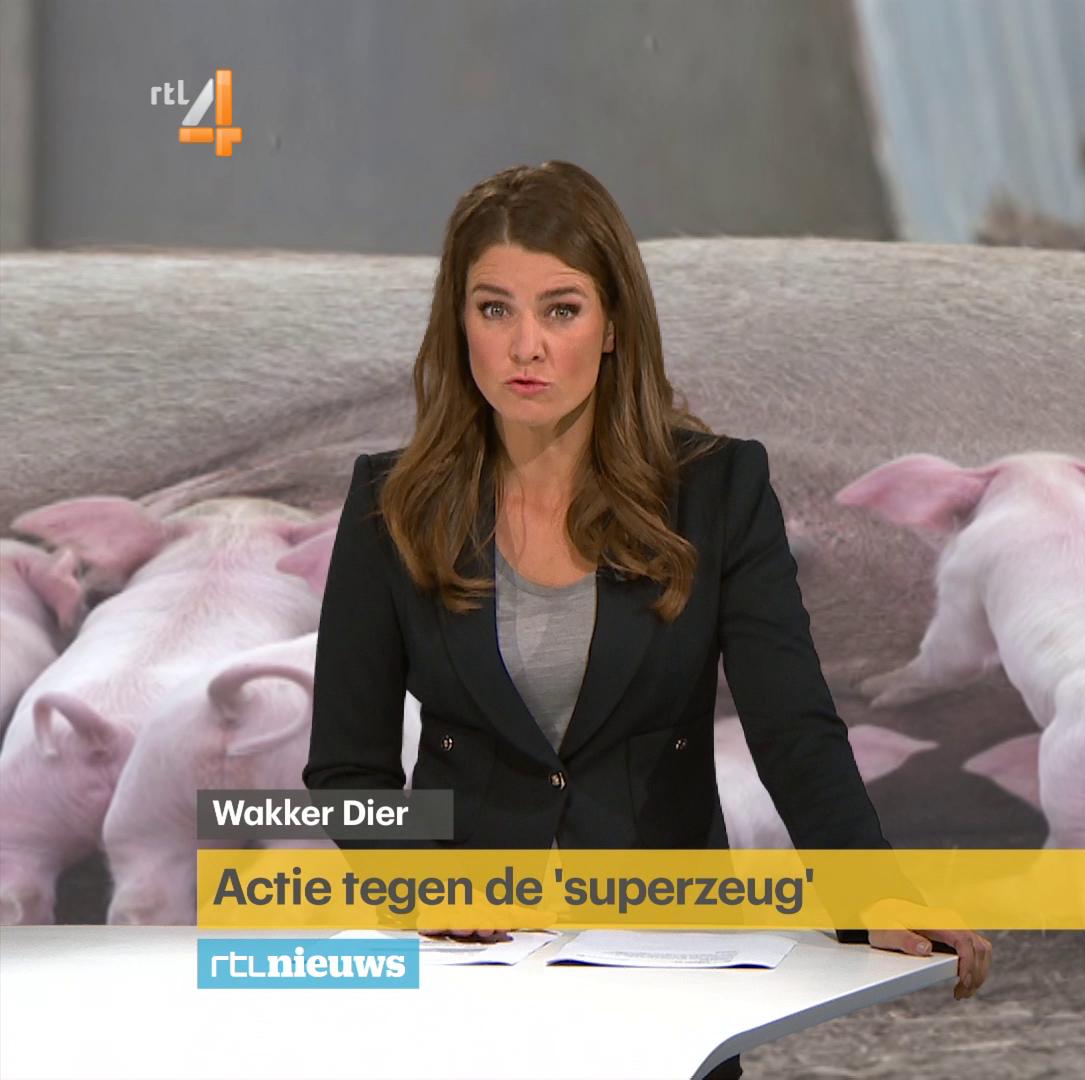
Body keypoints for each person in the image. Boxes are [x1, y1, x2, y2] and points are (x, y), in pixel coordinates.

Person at [302, 162, 988, 1075]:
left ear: (614, 324)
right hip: (466, 975)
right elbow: (347, 770)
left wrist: (874, 892)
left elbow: (792, 727)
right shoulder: (388, 503)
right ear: (457, 323)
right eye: (495, 309)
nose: (526, 347)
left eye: (561, 309)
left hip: (667, 962)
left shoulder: (717, 489)